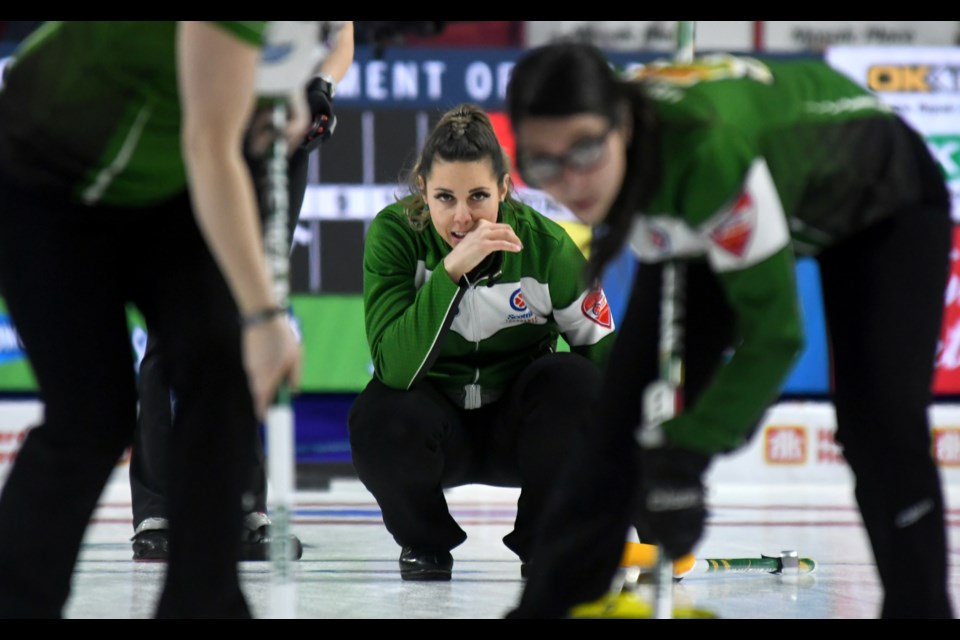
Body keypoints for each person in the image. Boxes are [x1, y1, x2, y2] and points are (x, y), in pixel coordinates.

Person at [504, 42, 954, 619]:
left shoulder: (702, 153)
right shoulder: (629, 165)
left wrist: (688, 454)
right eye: (543, 163)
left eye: (586, 149)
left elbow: (775, 335)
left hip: (883, 193)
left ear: (623, 126)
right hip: (748, 182)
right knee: (618, 411)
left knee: (881, 427)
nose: (570, 180)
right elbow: (631, 405)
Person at [0, 21, 328, 618]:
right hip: (49, 179)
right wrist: (263, 313)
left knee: (221, 368)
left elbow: (237, 108)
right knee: (92, 413)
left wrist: (275, 104)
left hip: (162, 180)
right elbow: (209, 142)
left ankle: (202, 603)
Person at [348, 103, 617, 581]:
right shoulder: (395, 235)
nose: (462, 218)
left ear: (505, 191)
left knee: (576, 380)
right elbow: (394, 368)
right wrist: (451, 273)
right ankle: (425, 543)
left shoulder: (547, 247)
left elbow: (609, 372)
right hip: (436, 433)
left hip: (520, 436)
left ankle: (545, 541)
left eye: (477, 197)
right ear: (423, 192)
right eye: (445, 198)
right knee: (378, 414)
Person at [129, 21, 355, 563]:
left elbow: (340, 31)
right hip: (196, 113)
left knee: (248, 311)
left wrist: (321, 83)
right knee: (176, 310)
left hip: (278, 128)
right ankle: (158, 506)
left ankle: (245, 502)